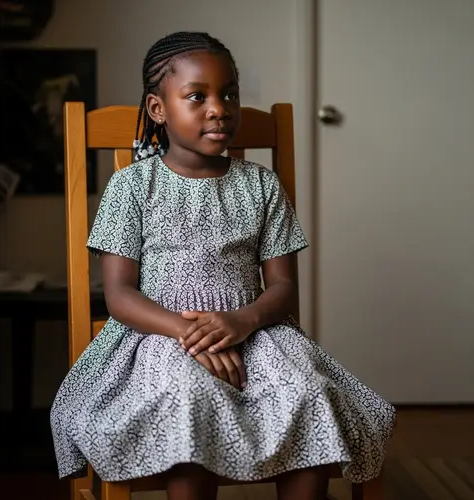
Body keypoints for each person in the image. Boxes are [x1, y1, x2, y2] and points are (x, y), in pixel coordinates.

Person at [50, 31, 396, 500]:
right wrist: (189, 334)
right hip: (160, 335)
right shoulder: (132, 187)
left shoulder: (262, 186)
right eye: (197, 96)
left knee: (305, 393)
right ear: (158, 109)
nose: (219, 108)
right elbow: (119, 296)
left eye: (229, 93)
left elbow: (283, 288)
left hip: (254, 331)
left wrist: (241, 320)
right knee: (189, 395)